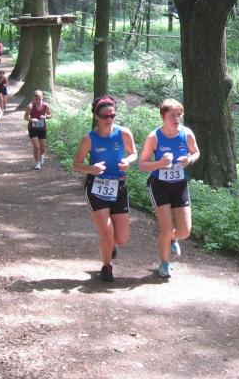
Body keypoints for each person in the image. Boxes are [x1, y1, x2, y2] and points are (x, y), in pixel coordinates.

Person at [72, 96, 137, 282]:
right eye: (104, 116)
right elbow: (76, 164)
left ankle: (110, 245)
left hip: (119, 186)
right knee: (107, 232)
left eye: (112, 116)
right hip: (97, 187)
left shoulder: (123, 133)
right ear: (96, 116)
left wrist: (128, 161)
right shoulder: (89, 139)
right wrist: (91, 169)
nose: (109, 119)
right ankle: (106, 266)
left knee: (121, 238)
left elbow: (133, 153)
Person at [138, 99, 200, 279]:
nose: (176, 118)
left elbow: (196, 152)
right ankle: (164, 263)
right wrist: (160, 163)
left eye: (179, 114)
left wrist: (190, 160)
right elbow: (142, 165)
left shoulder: (187, 133)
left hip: (179, 184)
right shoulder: (154, 137)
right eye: (172, 115)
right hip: (159, 185)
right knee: (166, 229)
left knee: (185, 231)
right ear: (163, 117)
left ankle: (172, 238)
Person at [24, 90, 52, 170]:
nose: (38, 101)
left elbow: (50, 115)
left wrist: (45, 117)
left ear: (42, 97)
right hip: (33, 128)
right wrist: (32, 119)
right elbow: (25, 117)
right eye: (36, 99)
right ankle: (37, 163)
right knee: (37, 147)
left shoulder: (45, 105)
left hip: (42, 128)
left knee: (43, 148)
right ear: (33, 98)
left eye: (40, 99)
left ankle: (41, 155)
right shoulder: (30, 106)